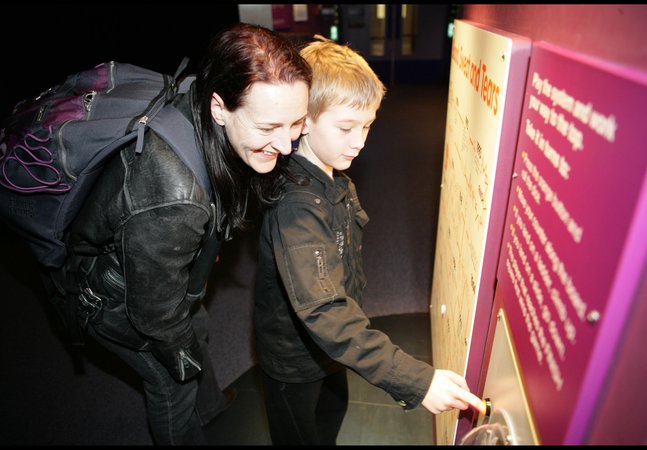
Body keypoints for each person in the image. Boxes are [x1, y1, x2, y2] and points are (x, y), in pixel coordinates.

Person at [44, 23, 311, 445]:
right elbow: (153, 310)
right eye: (268, 128)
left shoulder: (202, 98)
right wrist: (176, 349)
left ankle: (212, 409)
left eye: (296, 122)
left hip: (156, 264)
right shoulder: (175, 195)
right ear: (219, 108)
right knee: (173, 385)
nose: (286, 143)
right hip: (114, 295)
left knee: (196, 327)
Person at [253, 37, 483, 445]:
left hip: (331, 350)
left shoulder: (334, 180)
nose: (360, 141)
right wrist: (416, 381)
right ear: (304, 120)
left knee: (331, 417)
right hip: (294, 360)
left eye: (367, 126)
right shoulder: (297, 207)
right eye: (346, 128)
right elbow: (324, 309)